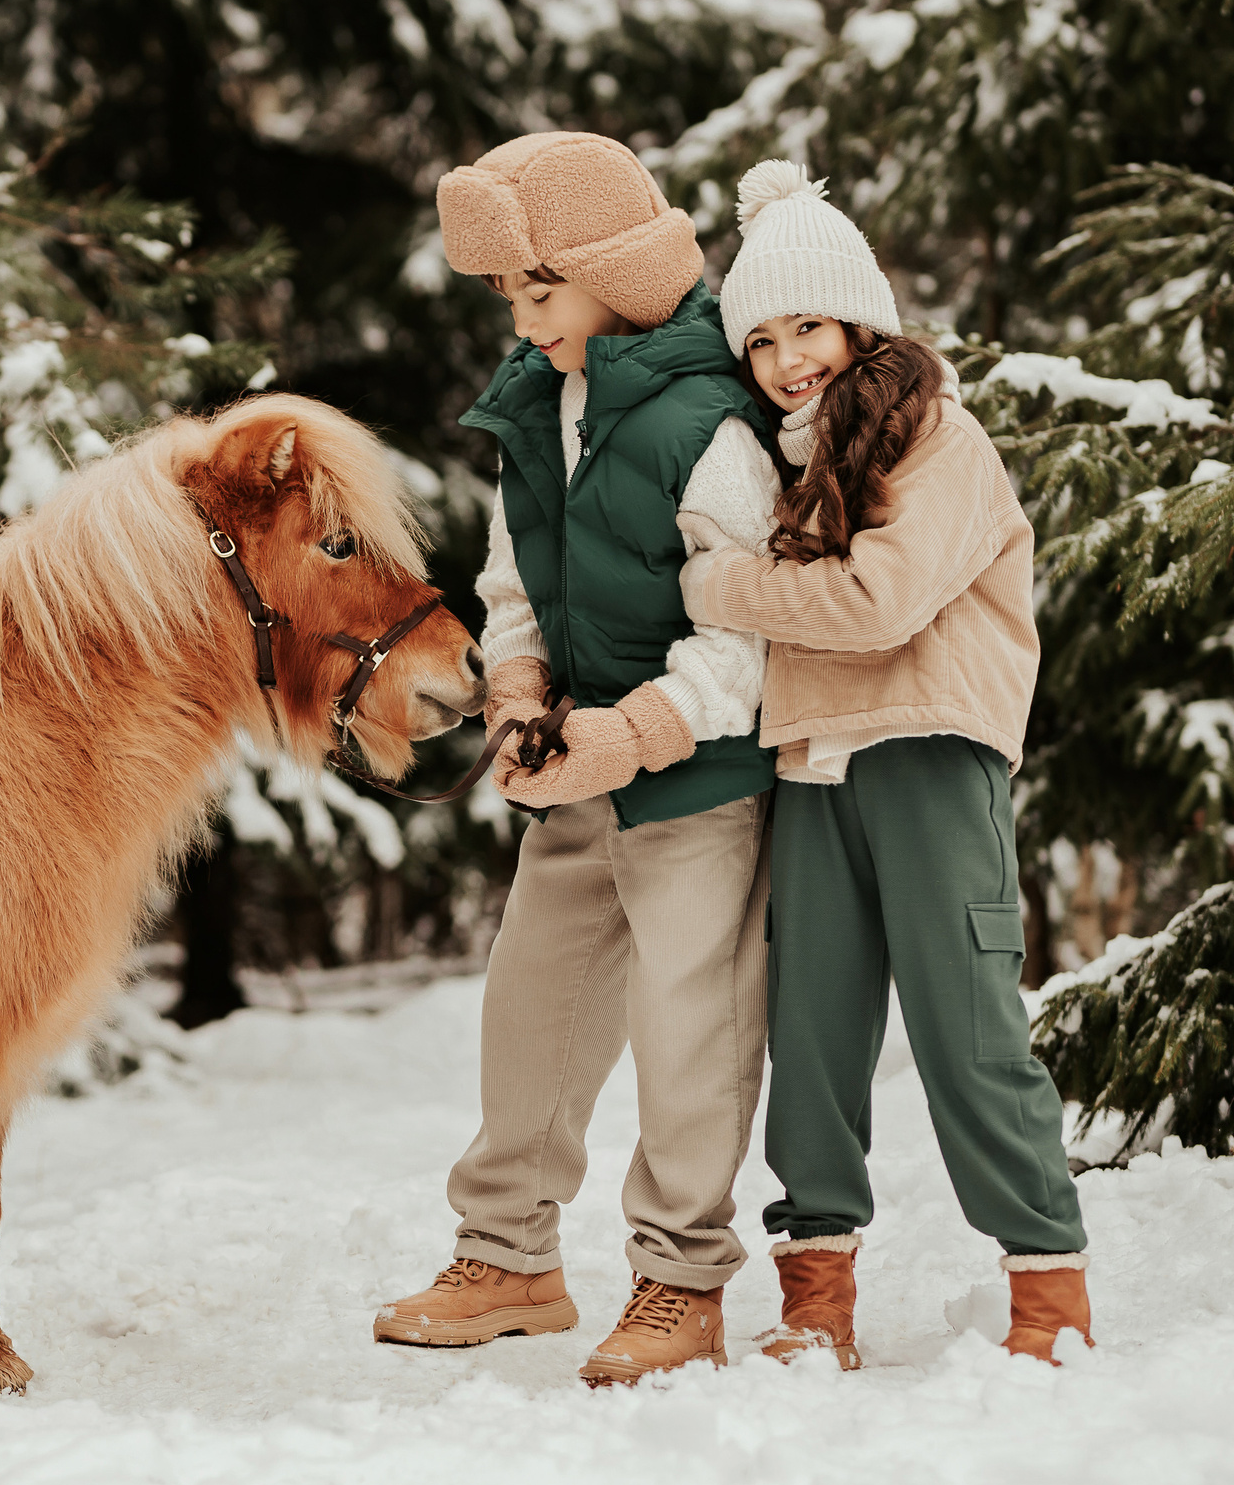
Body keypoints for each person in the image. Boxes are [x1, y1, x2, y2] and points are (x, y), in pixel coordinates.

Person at [372, 131, 783, 1386]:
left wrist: (633, 732)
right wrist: (519, 693)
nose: (522, 316)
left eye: (538, 290)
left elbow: (751, 633)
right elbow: (512, 579)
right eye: (506, 294)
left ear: (619, 275)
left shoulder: (709, 424)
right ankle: (509, 1258)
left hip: (697, 777)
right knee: (529, 1009)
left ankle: (677, 1280)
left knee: (686, 1029)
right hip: (574, 772)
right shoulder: (540, 402)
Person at [679, 161, 1093, 1369]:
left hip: (925, 747)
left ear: (860, 321)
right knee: (810, 1031)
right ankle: (815, 1299)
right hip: (811, 763)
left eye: (805, 325)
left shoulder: (937, 439)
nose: (784, 358)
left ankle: (1046, 1297)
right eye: (758, 339)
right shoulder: (790, 462)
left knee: (965, 1026)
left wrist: (713, 583)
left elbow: (877, 602)